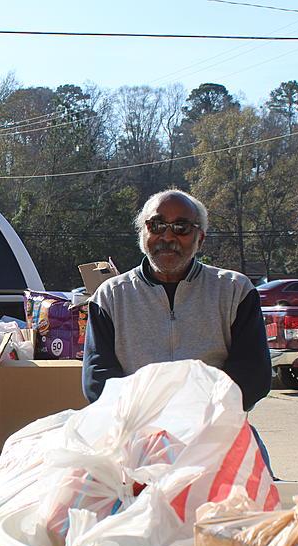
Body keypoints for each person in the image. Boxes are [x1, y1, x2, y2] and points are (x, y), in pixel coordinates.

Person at [82, 188, 273, 466]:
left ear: (200, 238)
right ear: (143, 234)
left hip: (217, 437)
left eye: (181, 227)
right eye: (157, 225)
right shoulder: (110, 296)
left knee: (256, 502)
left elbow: (253, 376)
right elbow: (97, 380)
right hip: (134, 441)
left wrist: (200, 419)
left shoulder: (234, 291)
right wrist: (148, 428)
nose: (168, 237)